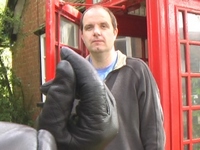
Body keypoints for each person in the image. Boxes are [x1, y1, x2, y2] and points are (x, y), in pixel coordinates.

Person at [80, 5, 166, 150]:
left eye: (103, 26)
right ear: (82, 36)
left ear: (115, 32)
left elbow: (154, 131)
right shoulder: (75, 77)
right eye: (89, 27)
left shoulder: (137, 71)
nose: (96, 32)